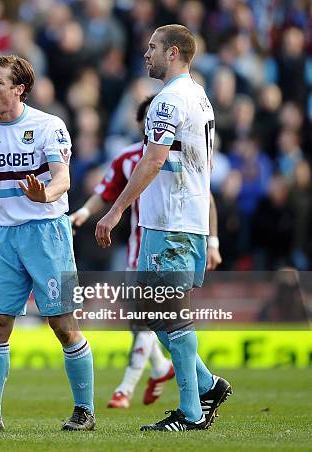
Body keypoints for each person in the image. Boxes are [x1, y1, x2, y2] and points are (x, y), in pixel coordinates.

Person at [0, 55, 95, 432]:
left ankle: (84, 410)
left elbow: (63, 179)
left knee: (62, 324)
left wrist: (45, 195)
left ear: (18, 89)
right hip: (4, 237)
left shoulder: (48, 126)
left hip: (47, 233)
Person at [94, 25, 232, 431]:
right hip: (176, 219)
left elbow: (153, 160)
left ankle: (192, 411)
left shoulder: (168, 101)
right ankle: (208, 385)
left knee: (168, 312)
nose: (145, 53)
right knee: (153, 311)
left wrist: (116, 210)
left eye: (152, 47)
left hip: (172, 222)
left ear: (173, 52)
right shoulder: (199, 95)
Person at [71, 97, 223, 409]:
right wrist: (84, 213)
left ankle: (132, 391)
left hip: (172, 239)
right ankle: (183, 376)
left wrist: (214, 241)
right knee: (147, 317)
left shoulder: (174, 153)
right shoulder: (129, 158)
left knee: (157, 316)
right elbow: (105, 192)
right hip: (140, 249)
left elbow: (205, 196)